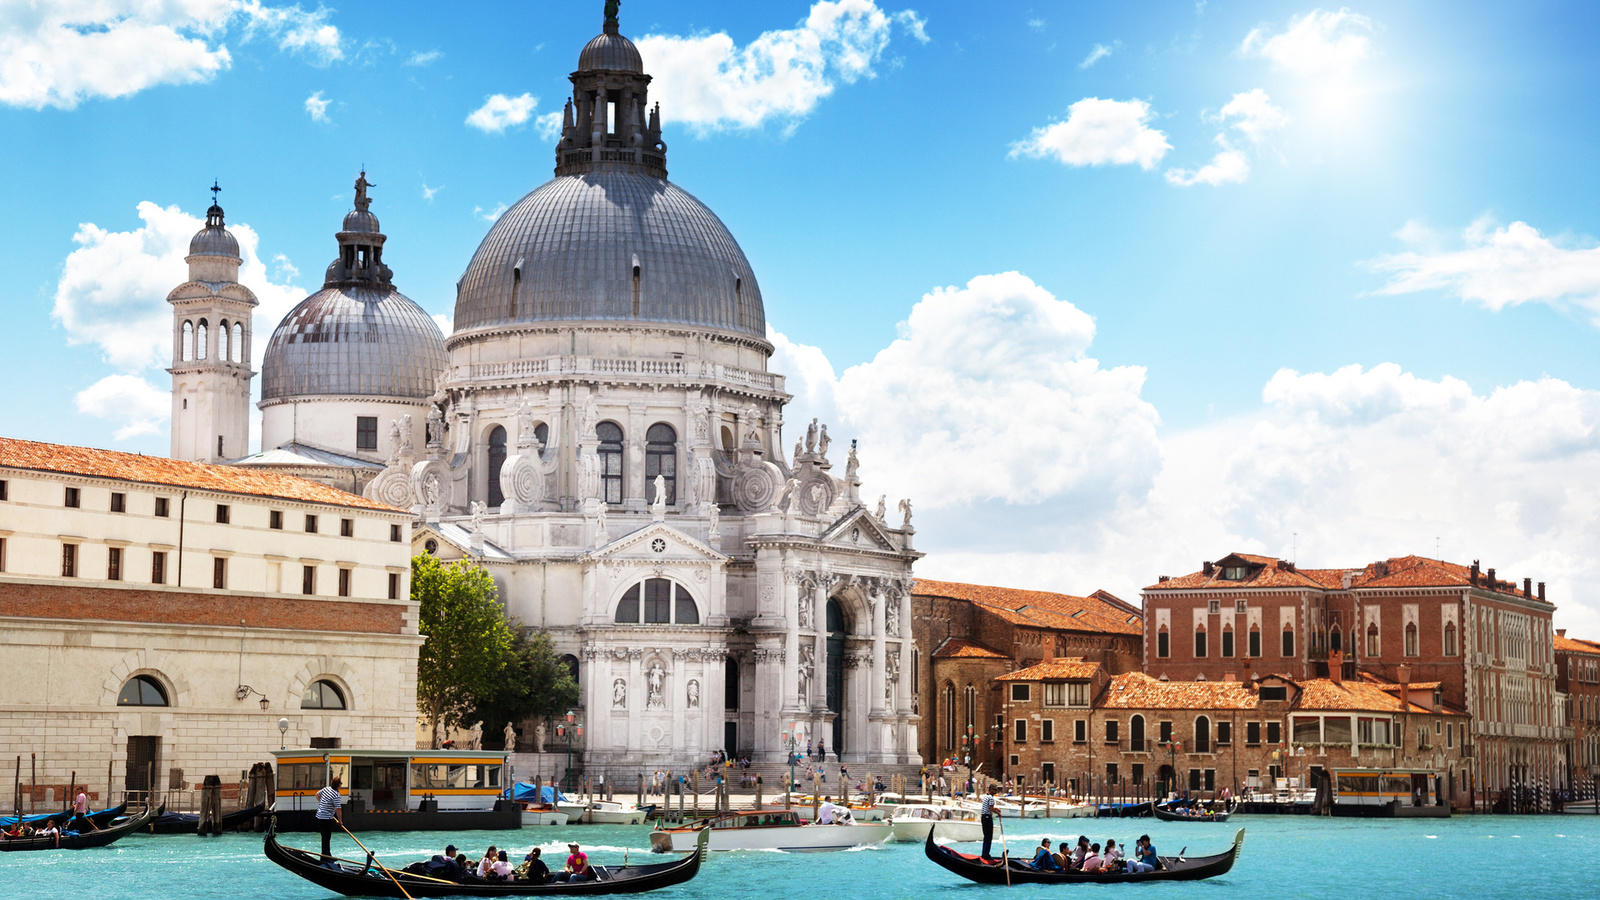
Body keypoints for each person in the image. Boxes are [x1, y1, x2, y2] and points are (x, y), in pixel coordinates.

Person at [315, 775, 343, 860]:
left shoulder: (326, 789)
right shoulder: (336, 795)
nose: (341, 785)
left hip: (320, 816)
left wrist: (322, 804)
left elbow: (317, 795)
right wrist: (340, 821)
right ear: (338, 785)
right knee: (326, 837)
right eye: (341, 783)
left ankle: (327, 855)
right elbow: (338, 809)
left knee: (325, 837)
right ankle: (324, 857)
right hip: (326, 818)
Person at [978, 789, 997, 859]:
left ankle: (984, 853)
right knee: (989, 836)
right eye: (995, 790)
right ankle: (986, 854)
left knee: (986, 836)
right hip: (987, 818)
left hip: (983, 817)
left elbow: (988, 807)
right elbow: (991, 808)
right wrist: (998, 813)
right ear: (991, 790)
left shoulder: (985, 796)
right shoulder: (991, 798)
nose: (996, 791)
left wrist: (996, 809)